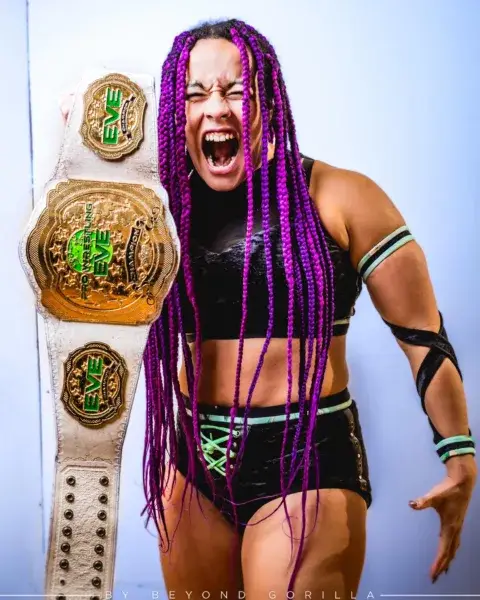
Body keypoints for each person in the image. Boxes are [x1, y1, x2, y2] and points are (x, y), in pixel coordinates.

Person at [140, 18, 475, 598]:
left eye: (235, 91)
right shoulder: (161, 210)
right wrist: (87, 140)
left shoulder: (343, 196)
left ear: (269, 98)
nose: (214, 107)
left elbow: (424, 338)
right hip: (193, 463)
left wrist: (459, 455)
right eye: (195, 94)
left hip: (306, 460)